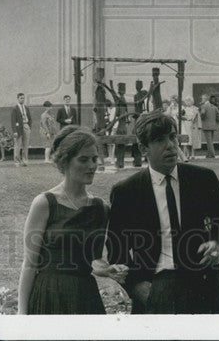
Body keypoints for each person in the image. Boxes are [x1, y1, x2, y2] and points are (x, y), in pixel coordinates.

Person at [107, 111, 219, 314]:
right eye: (159, 140)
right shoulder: (126, 191)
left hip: (204, 285)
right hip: (155, 287)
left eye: (172, 137)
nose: (170, 145)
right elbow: (117, 249)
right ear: (144, 149)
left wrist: (217, 244)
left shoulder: (203, 179)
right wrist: (135, 286)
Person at [18, 127, 127, 314]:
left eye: (94, 159)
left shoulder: (100, 208)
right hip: (48, 294)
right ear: (65, 161)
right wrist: (22, 313)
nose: (92, 165)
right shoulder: (44, 203)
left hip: (84, 296)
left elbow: (93, 260)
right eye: (83, 159)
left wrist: (107, 270)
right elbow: (29, 263)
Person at [13, 92, 32, 166]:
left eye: (23, 98)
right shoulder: (15, 108)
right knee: (18, 145)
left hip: (26, 125)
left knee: (26, 145)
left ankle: (25, 160)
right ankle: (17, 161)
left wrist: (29, 127)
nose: (22, 100)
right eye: (21, 98)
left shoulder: (26, 108)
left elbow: (30, 118)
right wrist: (14, 131)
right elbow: (13, 120)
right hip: (18, 128)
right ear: (18, 99)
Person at [179, 97, 200, 161]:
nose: (188, 102)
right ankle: (187, 154)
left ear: (192, 102)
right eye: (186, 101)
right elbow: (180, 116)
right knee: (186, 140)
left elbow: (193, 117)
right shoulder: (184, 109)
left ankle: (193, 155)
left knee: (192, 140)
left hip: (192, 126)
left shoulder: (195, 108)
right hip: (185, 125)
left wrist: (186, 118)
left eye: (189, 101)